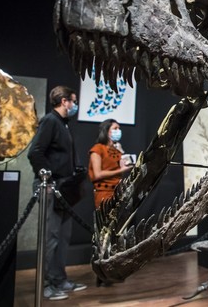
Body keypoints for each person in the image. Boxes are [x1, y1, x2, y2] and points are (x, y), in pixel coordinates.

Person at [27, 85, 87, 301]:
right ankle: (44, 284)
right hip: (52, 188)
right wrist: (48, 179)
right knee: (50, 238)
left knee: (62, 237)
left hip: (65, 189)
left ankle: (59, 279)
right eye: (73, 101)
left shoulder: (63, 124)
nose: (74, 105)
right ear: (64, 101)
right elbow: (35, 152)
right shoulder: (50, 121)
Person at [88, 119, 133, 208]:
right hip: (104, 193)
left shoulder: (117, 150)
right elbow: (98, 174)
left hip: (119, 192)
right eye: (115, 128)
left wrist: (121, 151)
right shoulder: (98, 149)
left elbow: (127, 165)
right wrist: (120, 170)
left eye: (119, 128)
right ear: (106, 131)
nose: (118, 131)